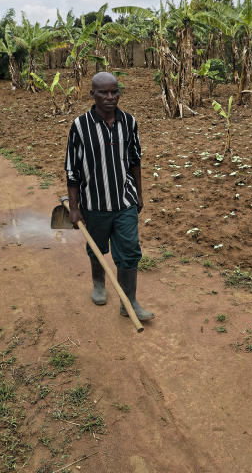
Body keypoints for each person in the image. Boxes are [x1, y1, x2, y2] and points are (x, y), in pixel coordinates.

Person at [65, 72, 153, 321]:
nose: (110, 97)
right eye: (103, 92)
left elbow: (135, 160)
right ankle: (99, 284)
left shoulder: (129, 121)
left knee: (129, 250)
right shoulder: (80, 126)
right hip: (94, 203)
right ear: (92, 94)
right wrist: (74, 207)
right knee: (97, 248)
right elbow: (72, 169)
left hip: (124, 200)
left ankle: (130, 302)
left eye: (114, 91)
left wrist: (138, 193)